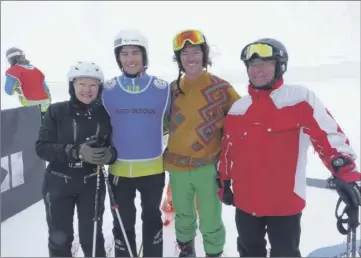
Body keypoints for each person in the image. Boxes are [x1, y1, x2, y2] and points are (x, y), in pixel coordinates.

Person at [217, 38, 361, 257]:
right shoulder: (238, 109)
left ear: (280, 66)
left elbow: (327, 135)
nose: (258, 70)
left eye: (266, 63)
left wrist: (344, 169)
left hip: (284, 203)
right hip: (246, 202)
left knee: (285, 253)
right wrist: (224, 181)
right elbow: (227, 151)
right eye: (253, 65)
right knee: (248, 252)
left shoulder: (299, 99)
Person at [163, 29, 241, 257]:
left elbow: (241, 123)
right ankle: (186, 250)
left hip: (207, 168)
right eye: (184, 53)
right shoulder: (172, 90)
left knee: (210, 219)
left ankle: (214, 253)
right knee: (183, 216)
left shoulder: (222, 88)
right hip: (177, 168)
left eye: (195, 51)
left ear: (204, 54)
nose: (190, 57)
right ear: (179, 59)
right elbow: (160, 125)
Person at [35, 61, 118, 257]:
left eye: (93, 85)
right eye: (81, 83)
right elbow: (42, 148)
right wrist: (76, 151)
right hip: (58, 182)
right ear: (72, 85)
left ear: (99, 88)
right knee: (60, 239)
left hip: (92, 182)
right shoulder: (56, 111)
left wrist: (110, 155)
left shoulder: (105, 115)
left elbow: (114, 145)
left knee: (92, 238)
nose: (87, 90)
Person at [102, 29, 171, 257]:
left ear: (144, 56)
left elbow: (178, 122)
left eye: (135, 53)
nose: (129, 59)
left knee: (151, 218)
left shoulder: (162, 89)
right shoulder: (107, 89)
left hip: (152, 168)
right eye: (124, 53)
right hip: (119, 170)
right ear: (118, 58)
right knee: (123, 220)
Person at [4, 47, 51, 119]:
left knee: (33, 128)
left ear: (11, 59)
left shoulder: (12, 71)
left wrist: (17, 87)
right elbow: (46, 89)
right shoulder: (36, 70)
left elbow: (9, 91)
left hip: (31, 107)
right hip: (46, 105)